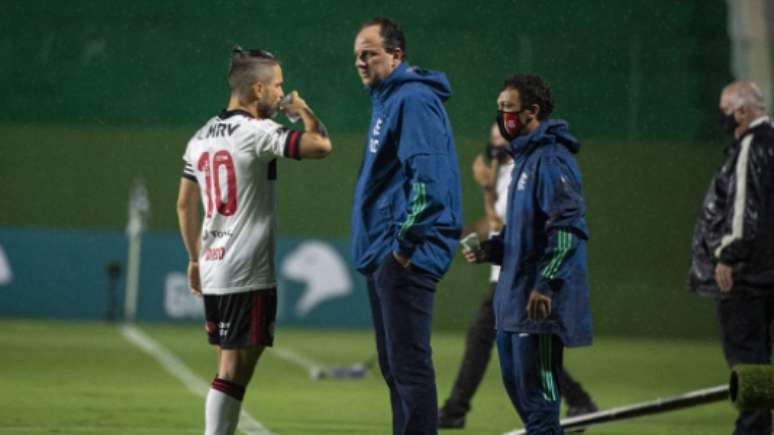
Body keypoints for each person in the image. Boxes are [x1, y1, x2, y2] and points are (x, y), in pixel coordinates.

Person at [176, 47, 332, 435]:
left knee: (230, 368)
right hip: (246, 268)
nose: (281, 93)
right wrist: (304, 111)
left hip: (213, 264)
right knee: (234, 371)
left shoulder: (200, 137)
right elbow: (321, 146)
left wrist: (194, 259)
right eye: (277, 86)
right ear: (257, 88)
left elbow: (183, 204)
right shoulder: (257, 133)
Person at [438, 124, 597, 430]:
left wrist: (485, 189)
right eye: (492, 135)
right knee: (521, 351)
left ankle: (457, 408)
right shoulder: (506, 171)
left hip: (523, 276)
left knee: (492, 340)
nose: (495, 139)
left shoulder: (530, 168)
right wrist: (467, 236)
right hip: (506, 272)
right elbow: (496, 226)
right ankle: (576, 401)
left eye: (501, 133)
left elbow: (516, 224)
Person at [351, 17, 463, 435]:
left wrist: (402, 247)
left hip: (405, 255)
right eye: (357, 56)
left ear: (396, 55)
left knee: (409, 367)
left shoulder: (412, 99)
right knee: (396, 368)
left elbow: (429, 181)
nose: (361, 62)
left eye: (370, 53)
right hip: (389, 252)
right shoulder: (387, 98)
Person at [689, 80, 774, 435]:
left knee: (749, 361)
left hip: (747, 277)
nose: (722, 116)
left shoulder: (751, 147)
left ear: (742, 111)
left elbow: (744, 211)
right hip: (767, 272)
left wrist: (727, 256)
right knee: (761, 362)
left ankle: (753, 430)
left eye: (725, 109)